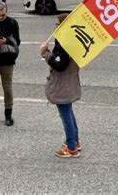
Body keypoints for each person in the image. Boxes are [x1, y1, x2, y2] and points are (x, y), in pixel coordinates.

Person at [39, 13, 82, 158]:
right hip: (69, 82)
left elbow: (60, 66)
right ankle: (75, 142)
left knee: (66, 116)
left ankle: (71, 148)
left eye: (57, 24)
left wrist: (45, 53)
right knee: (69, 112)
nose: (55, 26)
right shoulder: (73, 40)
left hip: (62, 84)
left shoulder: (64, 43)